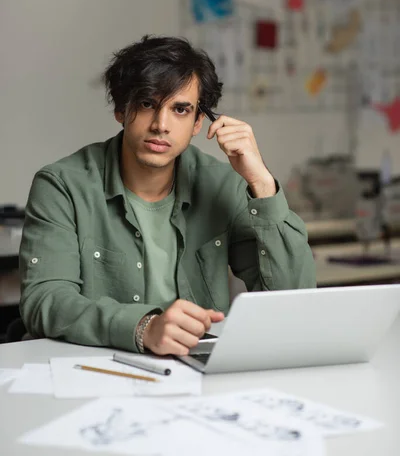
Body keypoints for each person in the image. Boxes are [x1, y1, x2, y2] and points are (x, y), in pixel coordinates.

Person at [19, 35, 315, 355]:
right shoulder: (62, 185)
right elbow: (44, 299)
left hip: (195, 372)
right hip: (92, 368)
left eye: (180, 109)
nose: (161, 125)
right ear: (121, 109)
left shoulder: (222, 184)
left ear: (199, 121)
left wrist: (261, 181)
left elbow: (293, 301)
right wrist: (143, 327)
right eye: (148, 104)